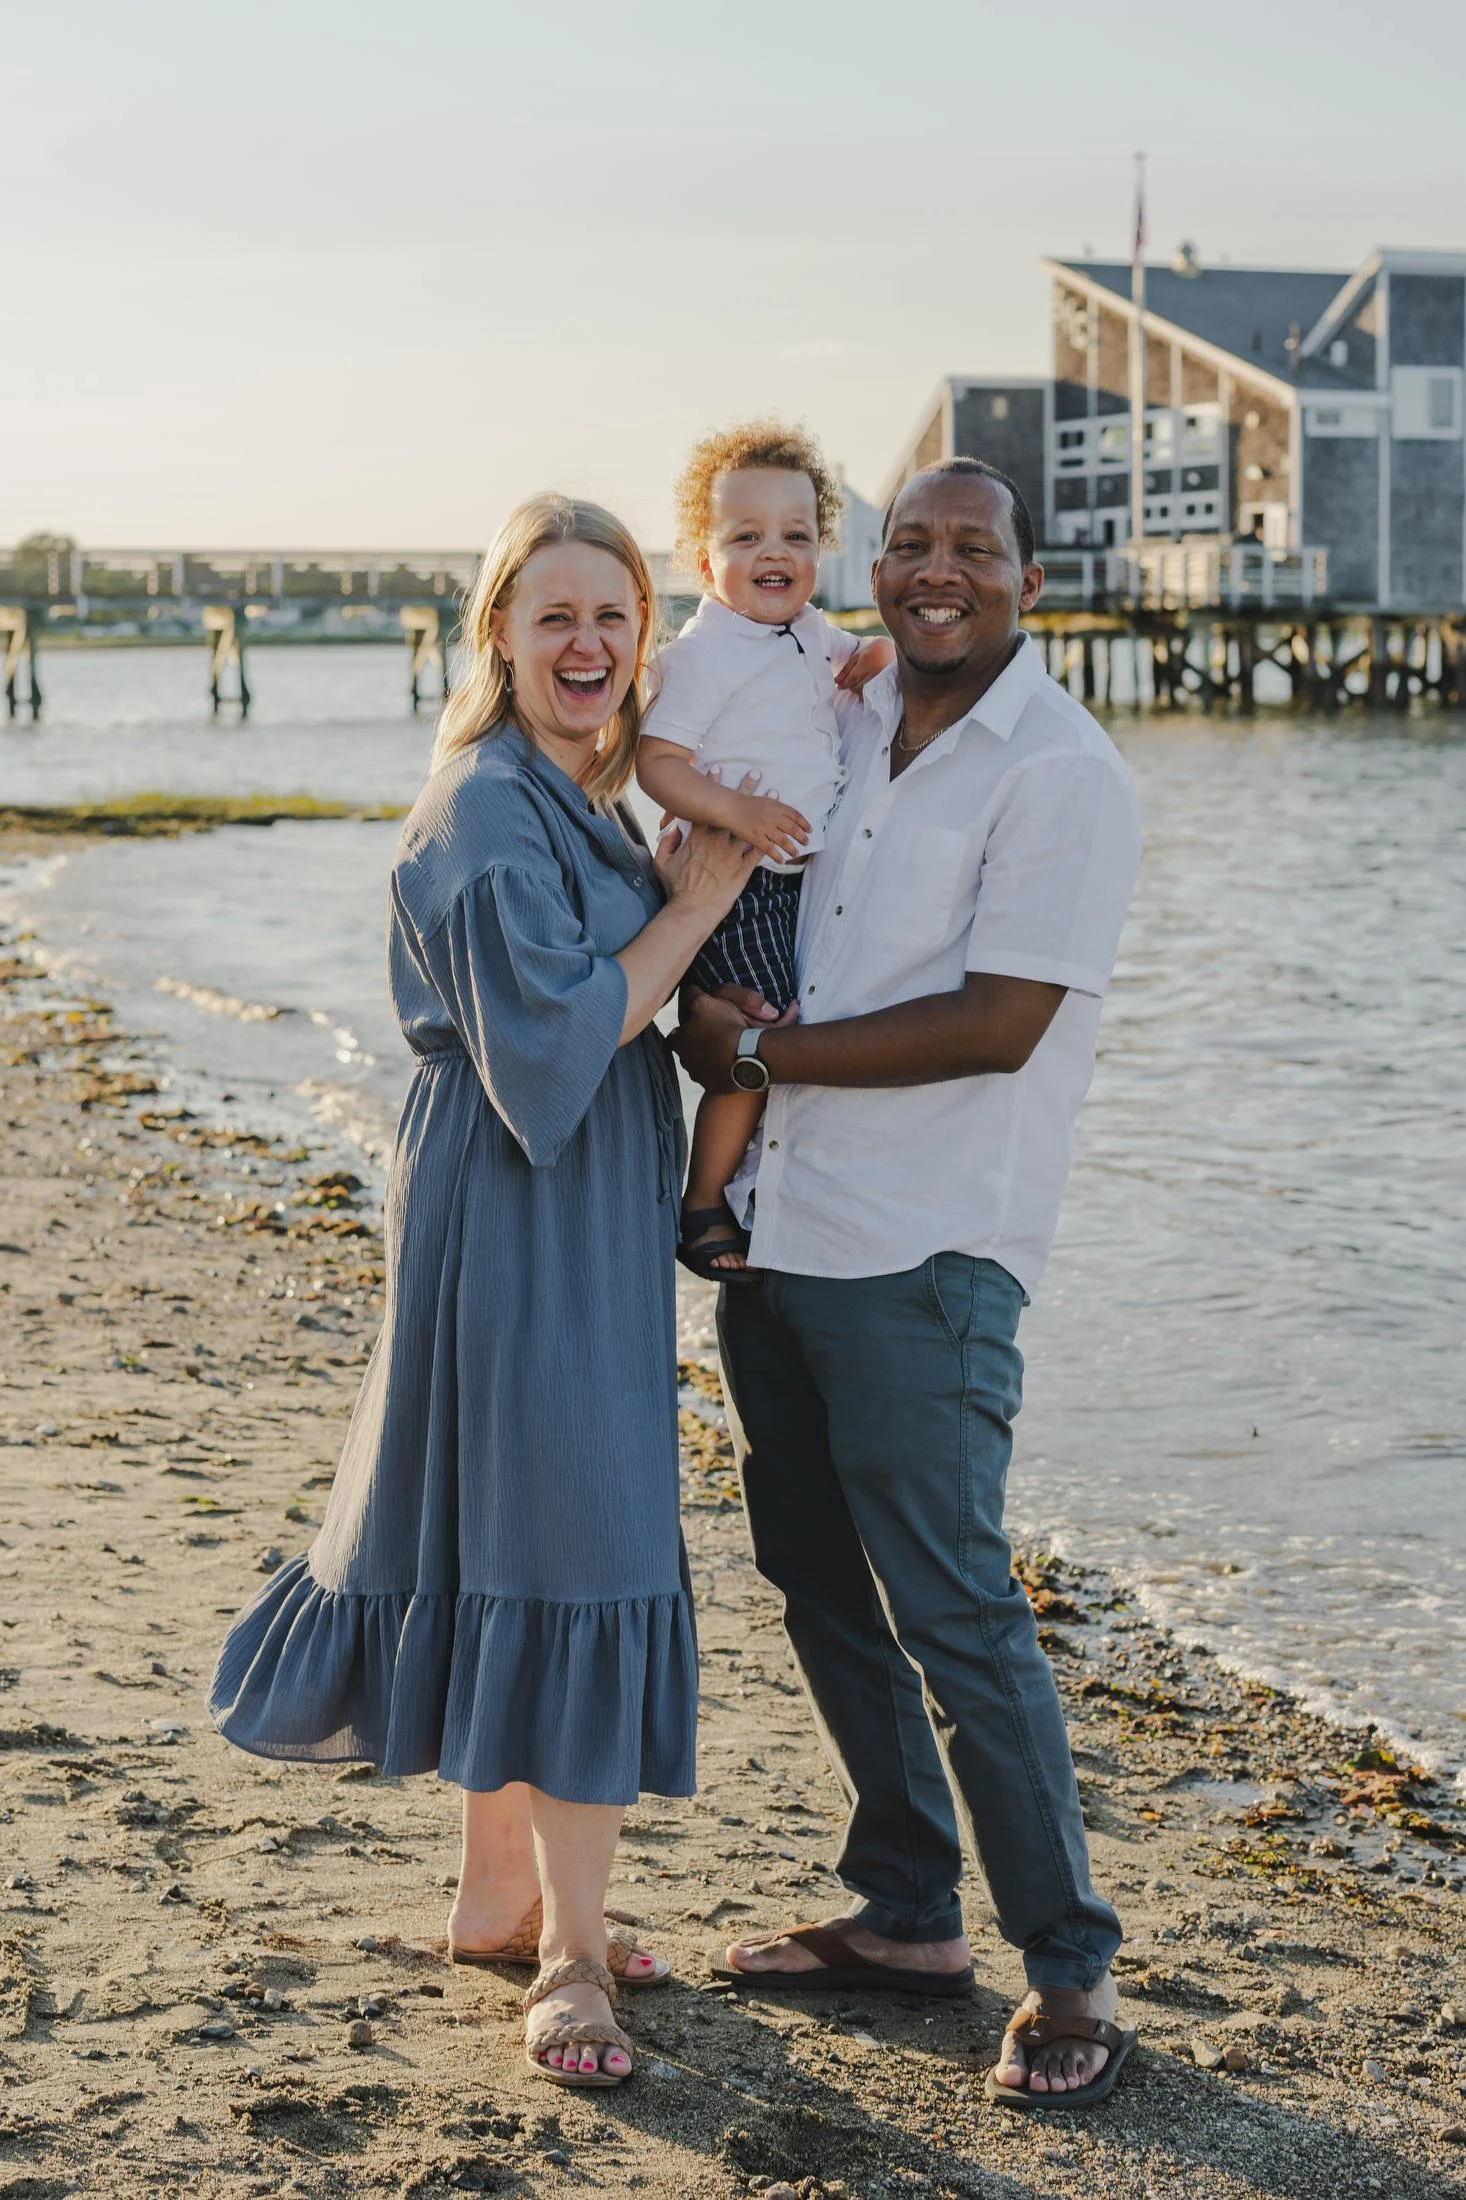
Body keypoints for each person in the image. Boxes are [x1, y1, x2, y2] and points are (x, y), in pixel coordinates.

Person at [211, 494, 758, 2089]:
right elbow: (551, 1041)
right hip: (522, 1194)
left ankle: (499, 1894)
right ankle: (574, 1962)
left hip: (555, 1193)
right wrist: (695, 908)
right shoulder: (481, 804)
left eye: (614, 619)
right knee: (576, 1532)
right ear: (498, 639)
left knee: (525, 1521)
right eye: (556, 619)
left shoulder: (560, 796)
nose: (588, 646)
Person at [675, 458, 1144, 2110]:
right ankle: (906, 1912)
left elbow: (1001, 1020)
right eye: (914, 545)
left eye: (975, 547)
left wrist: (769, 1052)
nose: (938, 572)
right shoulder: (855, 720)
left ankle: (1067, 1971)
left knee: (952, 1604)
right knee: (814, 1575)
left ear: (1028, 570)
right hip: (785, 1229)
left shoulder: (1061, 772)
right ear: (878, 567)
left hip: (928, 1254)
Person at [636, 421, 891, 1280]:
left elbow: (863, 660)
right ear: (706, 566)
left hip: (788, 882)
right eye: (745, 538)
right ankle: (705, 1202)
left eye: (795, 535)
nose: (773, 552)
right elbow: (657, 761)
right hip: (739, 881)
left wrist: (884, 653)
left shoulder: (812, 631)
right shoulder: (706, 655)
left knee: (775, 1039)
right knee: (759, 1043)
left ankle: (753, 1193)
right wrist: (736, 811)